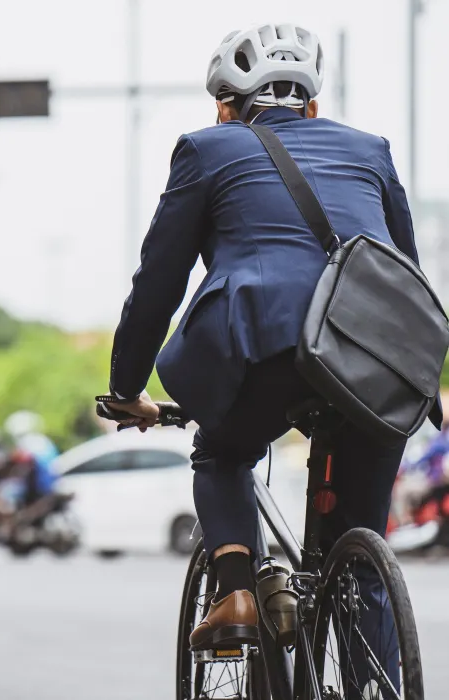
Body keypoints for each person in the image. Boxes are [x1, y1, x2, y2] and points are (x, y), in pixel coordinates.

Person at [102, 23, 437, 665]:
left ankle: (234, 592)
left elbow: (158, 285)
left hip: (264, 344)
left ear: (227, 103)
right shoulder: (371, 149)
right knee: (359, 553)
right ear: (312, 103)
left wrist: (126, 390)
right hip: (376, 358)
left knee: (222, 454)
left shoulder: (208, 150)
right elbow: (405, 275)